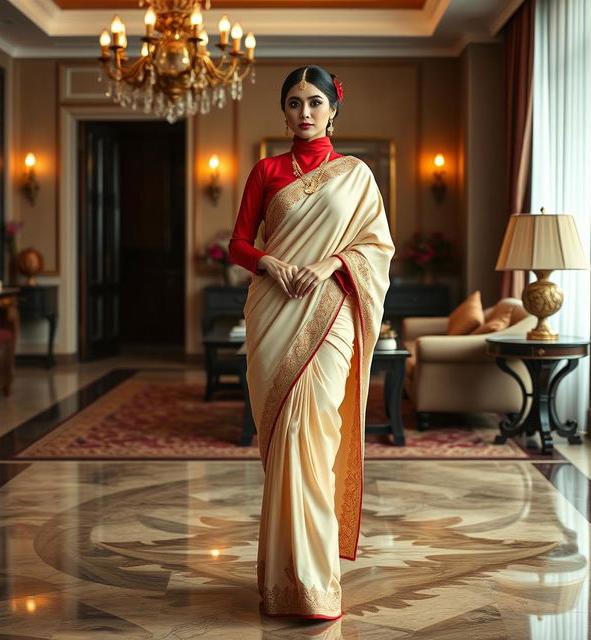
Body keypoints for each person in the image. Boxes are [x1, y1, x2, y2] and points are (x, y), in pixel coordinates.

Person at [228, 65, 395, 620]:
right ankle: (284, 580)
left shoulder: (356, 175)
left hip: (332, 309)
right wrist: (272, 264)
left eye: (315, 102)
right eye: (295, 102)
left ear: (333, 111)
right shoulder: (267, 170)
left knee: (315, 435)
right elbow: (237, 244)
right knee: (283, 444)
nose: (304, 112)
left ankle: (316, 582)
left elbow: (376, 246)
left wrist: (327, 265)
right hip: (273, 308)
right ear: (284, 111)